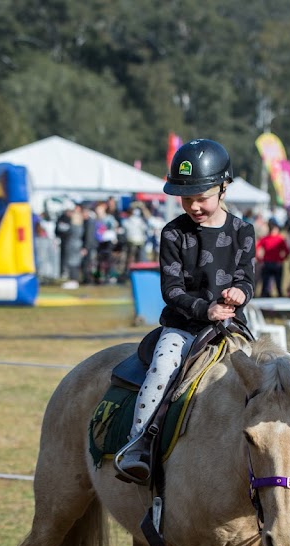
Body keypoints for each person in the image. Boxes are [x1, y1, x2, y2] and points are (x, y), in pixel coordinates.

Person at [113, 139, 256, 485]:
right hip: (183, 327)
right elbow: (172, 290)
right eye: (186, 198)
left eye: (201, 197)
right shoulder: (173, 233)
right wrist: (206, 309)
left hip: (232, 326)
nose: (193, 205)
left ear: (223, 188)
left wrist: (240, 292)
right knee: (162, 368)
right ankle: (139, 443)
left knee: (267, 375)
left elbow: (247, 278)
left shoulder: (243, 231)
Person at [256, 219, 290, 297]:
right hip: (275, 264)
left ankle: (265, 296)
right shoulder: (280, 239)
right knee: (277, 283)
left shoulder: (266, 239)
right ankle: (278, 296)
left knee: (266, 283)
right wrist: (281, 260)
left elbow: (257, 248)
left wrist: (260, 259)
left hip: (268, 263)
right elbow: (287, 251)